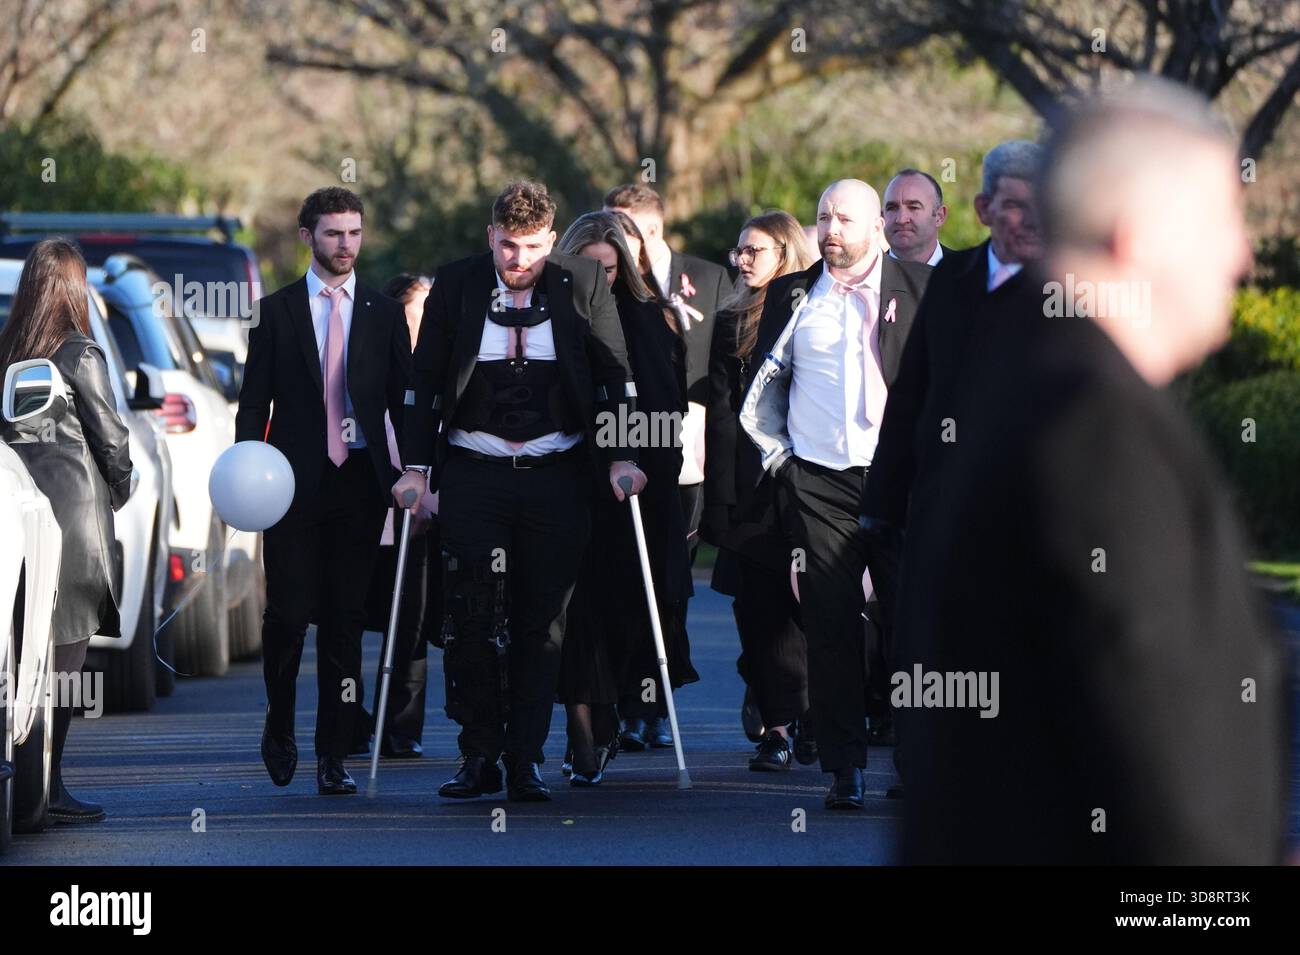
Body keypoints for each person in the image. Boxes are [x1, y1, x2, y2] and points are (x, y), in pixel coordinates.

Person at [898, 78, 1286, 864]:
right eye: (1222, 220)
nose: (1242, 254)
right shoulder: (1091, 423)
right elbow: (1146, 731)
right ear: (1138, 233)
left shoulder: (1044, 373)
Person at [394, 180, 644, 802]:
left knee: (543, 623)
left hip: (555, 473)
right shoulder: (457, 284)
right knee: (473, 618)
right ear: (491, 237)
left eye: (533, 247)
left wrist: (622, 457)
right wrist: (417, 470)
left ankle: (526, 758)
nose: (519, 260)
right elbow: (424, 383)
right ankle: (479, 754)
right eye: (508, 246)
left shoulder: (581, 284)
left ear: (553, 240)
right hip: (475, 472)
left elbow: (617, 377)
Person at [738, 180, 931, 809]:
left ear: (877, 225)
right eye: (823, 217)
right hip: (818, 482)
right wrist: (785, 468)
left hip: (897, 481)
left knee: (909, 625)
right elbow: (763, 385)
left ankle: (914, 760)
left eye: (845, 218)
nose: (831, 229)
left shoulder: (919, 287)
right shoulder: (795, 292)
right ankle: (843, 769)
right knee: (829, 627)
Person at [858, 144, 1045, 784]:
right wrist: (880, 502)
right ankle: (921, 758)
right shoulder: (948, 285)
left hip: (1036, 506)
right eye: (1015, 205)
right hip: (944, 499)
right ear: (985, 208)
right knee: (928, 635)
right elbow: (910, 396)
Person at [236, 187, 414, 796]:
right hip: (289, 486)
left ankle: (332, 753)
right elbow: (253, 402)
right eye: (334, 233)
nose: (346, 244)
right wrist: (246, 471)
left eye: (355, 233)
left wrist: (411, 470)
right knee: (288, 615)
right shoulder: (277, 311)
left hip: (359, 485)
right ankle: (278, 721)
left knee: (344, 619)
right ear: (308, 235)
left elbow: (401, 399)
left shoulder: (382, 313)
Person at [555, 211, 694, 784]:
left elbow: (666, 411)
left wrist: (628, 458)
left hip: (635, 486)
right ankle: (582, 726)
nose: (598, 281)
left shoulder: (652, 321)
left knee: (627, 607)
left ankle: (620, 706)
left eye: (608, 269)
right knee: (574, 610)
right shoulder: (549, 317)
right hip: (564, 480)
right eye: (586, 269)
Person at [0, 237, 133, 824]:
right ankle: (47, 789)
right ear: (75, 289)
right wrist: (120, 490)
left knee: (24, 663)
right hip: (74, 522)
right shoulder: (80, 353)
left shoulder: (8, 353)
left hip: (17, 520)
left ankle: (32, 785)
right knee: (64, 667)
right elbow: (112, 439)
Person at [603, 182, 731, 750]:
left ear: (653, 229)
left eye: (628, 230)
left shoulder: (705, 278)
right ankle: (629, 701)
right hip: (625, 453)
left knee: (669, 582)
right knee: (625, 579)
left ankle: (657, 694)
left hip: (687, 449)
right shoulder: (597, 285)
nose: (619, 240)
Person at [701, 210, 817, 771]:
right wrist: (719, 500)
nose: (741, 260)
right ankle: (777, 727)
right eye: (738, 251)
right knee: (758, 612)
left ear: (786, 255)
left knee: (808, 611)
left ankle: (810, 713)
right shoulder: (729, 322)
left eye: (755, 251)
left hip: (809, 485)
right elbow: (720, 418)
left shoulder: (816, 311)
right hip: (748, 493)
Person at [358, 273, 440, 758]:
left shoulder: (441, 368)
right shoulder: (370, 365)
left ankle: (401, 728)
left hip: (421, 516)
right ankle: (349, 722)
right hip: (368, 512)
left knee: (410, 624)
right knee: (349, 618)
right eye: (418, 313)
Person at [882, 168, 950, 266]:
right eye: (892, 208)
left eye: (913, 207)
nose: (901, 219)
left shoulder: (970, 275)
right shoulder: (862, 277)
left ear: (939, 216)